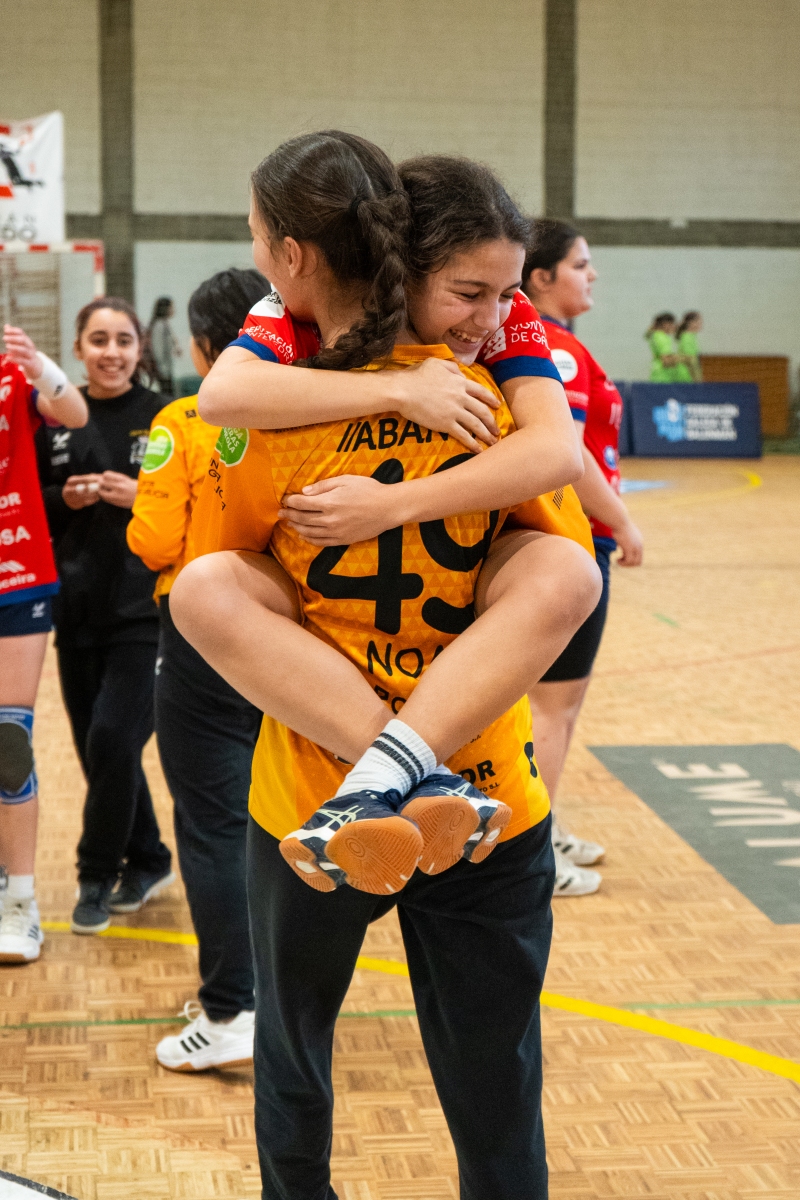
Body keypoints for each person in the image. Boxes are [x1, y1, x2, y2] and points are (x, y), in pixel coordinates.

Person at [172, 134, 601, 1199]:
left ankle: (385, 771)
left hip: (336, 794)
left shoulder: (283, 402)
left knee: (305, 1062)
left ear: (294, 253)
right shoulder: (486, 400)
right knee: (486, 1085)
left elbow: (206, 530)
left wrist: (392, 499)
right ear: (403, 269)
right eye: (470, 292)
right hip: (459, 787)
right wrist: (408, 396)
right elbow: (561, 492)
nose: (495, 313)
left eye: (504, 292)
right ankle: (411, 769)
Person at [126, 268, 269, 1071]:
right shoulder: (312, 412)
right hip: (295, 637)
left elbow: (152, 540)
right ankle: (278, 999)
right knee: (279, 815)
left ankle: (229, 1011)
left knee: (214, 825)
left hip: (201, 635)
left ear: (202, 345)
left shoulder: (182, 420)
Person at [35, 298, 173, 935]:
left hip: (145, 607)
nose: (111, 352)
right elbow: (28, 503)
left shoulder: (165, 415)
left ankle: (96, 874)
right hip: (76, 607)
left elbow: (198, 501)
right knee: (99, 750)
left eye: (123, 340)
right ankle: (149, 858)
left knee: (115, 739)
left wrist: (143, 494)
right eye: (98, 340)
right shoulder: (52, 417)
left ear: (140, 347)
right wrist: (60, 498)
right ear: (77, 348)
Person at [523, 219, 644, 895]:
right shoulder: (558, 348)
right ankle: (533, 852)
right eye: (579, 264)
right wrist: (621, 521)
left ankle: (546, 826)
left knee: (558, 704)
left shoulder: (548, 342)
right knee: (552, 708)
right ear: (541, 277)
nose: (592, 274)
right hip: (573, 538)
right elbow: (564, 454)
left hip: (567, 539)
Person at [0, 326, 88, 963]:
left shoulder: (13, 376)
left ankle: (21, 902)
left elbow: (73, 413)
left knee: (8, 743)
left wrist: (39, 366)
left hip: (17, 575)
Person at [146, 297, 182, 396]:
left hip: (166, 369)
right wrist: (162, 369)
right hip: (162, 370)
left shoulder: (165, 324)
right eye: (171, 307)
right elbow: (158, 349)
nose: (173, 310)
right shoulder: (159, 325)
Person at [646, 312, 691, 382]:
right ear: (666, 324)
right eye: (673, 324)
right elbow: (666, 361)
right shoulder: (662, 338)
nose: (674, 327)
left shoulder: (656, 335)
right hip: (664, 377)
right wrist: (684, 358)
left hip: (658, 375)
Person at [677, 310, 703, 381]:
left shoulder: (691, 336)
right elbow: (690, 359)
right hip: (687, 375)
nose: (700, 325)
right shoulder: (687, 337)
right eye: (698, 322)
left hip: (689, 374)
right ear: (690, 323)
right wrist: (697, 378)